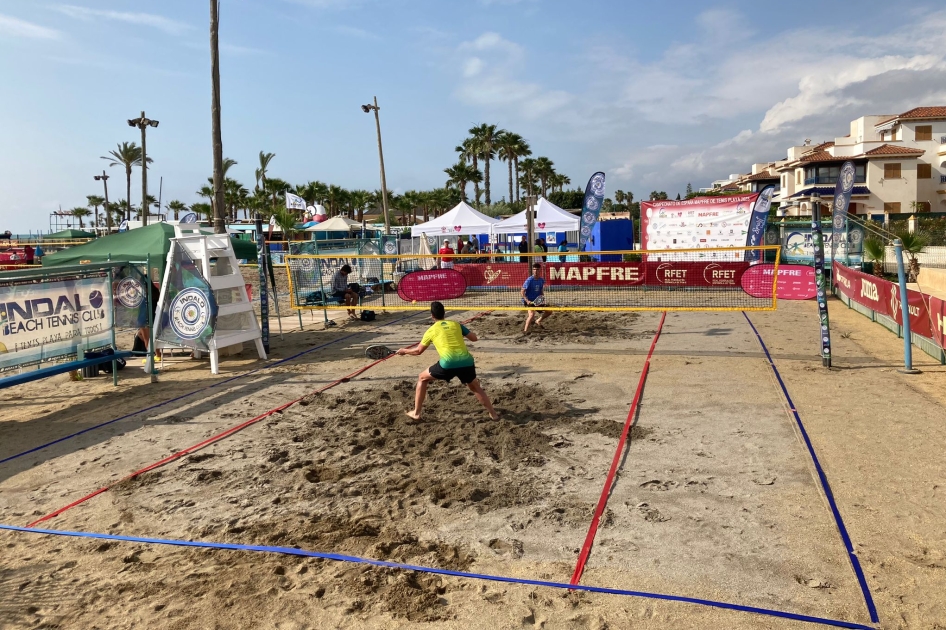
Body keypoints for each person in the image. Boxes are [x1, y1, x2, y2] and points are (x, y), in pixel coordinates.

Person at [396, 301, 499, 421]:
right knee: (475, 387)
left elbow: (418, 351)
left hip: (448, 363)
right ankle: (493, 414)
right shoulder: (456, 324)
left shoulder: (431, 330)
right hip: (467, 361)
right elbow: (474, 338)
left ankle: (416, 413)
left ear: (432, 316)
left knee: (422, 378)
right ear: (444, 313)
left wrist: (404, 351)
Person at [521, 262, 550, 333]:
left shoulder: (541, 280)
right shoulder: (529, 280)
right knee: (531, 314)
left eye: (537, 269)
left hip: (537, 301)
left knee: (549, 311)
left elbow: (541, 290)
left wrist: (542, 299)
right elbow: (522, 291)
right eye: (534, 269)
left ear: (540, 270)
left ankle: (538, 321)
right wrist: (527, 301)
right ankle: (525, 331)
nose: (535, 271)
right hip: (529, 301)